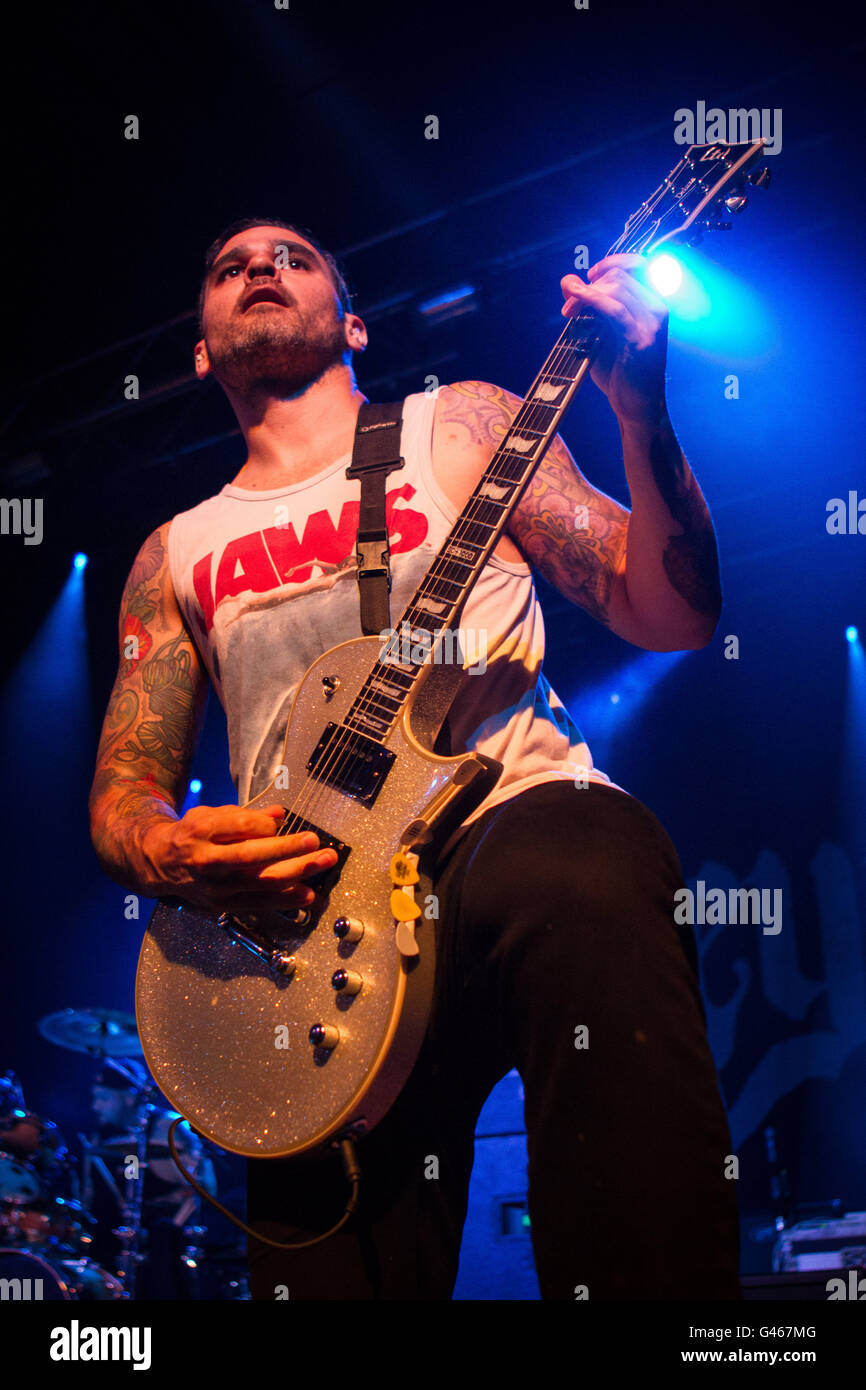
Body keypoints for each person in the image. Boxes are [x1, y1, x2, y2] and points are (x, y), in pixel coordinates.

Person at [89, 215, 739, 1300]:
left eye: (293, 257)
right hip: (303, 914)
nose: (260, 267)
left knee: (582, 862)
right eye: (228, 264)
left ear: (351, 323)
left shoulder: (465, 424)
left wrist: (639, 412)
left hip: (507, 810)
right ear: (199, 349)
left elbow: (668, 610)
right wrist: (162, 848)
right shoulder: (175, 550)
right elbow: (125, 783)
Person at [85, 1066, 216, 1298]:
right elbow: (133, 1176)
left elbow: (200, 1188)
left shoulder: (168, 1127)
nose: (96, 1107)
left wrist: (172, 1226)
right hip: (132, 1233)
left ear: (128, 1098)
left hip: (170, 1241)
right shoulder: (106, 1134)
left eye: (103, 1098)